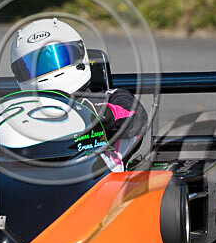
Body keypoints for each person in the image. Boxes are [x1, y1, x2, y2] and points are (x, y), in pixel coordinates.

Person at [9, 18, 148, 170]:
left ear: (79, 53)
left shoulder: (111, 98)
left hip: (98, 178)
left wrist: (103, 115)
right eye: (34, 65)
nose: (49, 70)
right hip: (38, 178)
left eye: (56, 57)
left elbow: (135, 117)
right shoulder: (21, 113)